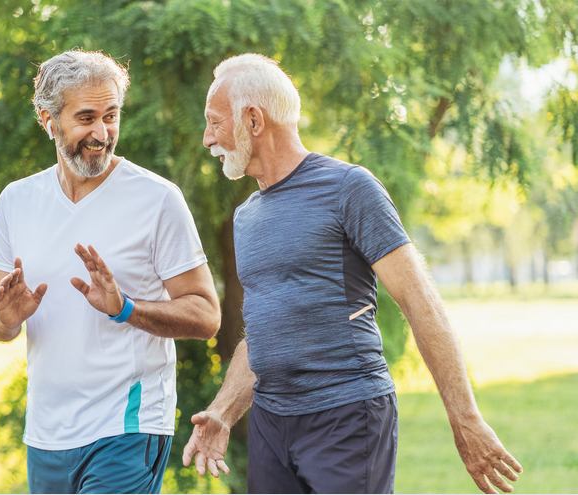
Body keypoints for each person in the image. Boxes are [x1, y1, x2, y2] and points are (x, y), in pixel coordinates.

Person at [181, 53, 523, 494]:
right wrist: (224, 412)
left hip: (345, 416)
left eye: (214, 121)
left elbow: (420, 303)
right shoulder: (247, 217)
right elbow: (266, 332)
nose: (207, 138)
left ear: (253, 120)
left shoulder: (348, 188)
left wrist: (466, 420)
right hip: (271, 423)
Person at [0, 50, 220, 494]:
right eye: (86, 117)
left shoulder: (157, 199)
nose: (101, 133)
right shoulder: (17, 201)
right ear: (48, 120)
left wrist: (125, 308)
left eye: (111, 116)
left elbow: (206, 315)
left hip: (126, 427)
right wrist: (6, 318)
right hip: (47, 433)